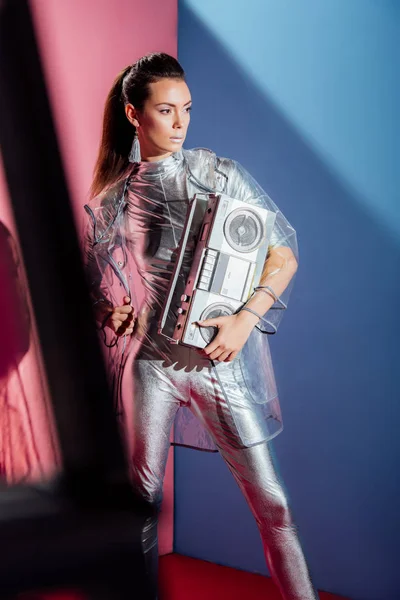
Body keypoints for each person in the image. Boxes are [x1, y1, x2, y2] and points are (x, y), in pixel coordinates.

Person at [83, 53, 319, 600]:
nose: (181, 121)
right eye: (166, 110)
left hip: (216, 358)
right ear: (133, 114)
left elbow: (282, 256)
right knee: (140, 505)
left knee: (274, 504)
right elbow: (94, 290)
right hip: (152, 365)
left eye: (186, 108)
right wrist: (110, 312)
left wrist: (245, 320)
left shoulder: (220, 174)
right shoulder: (113, 200)